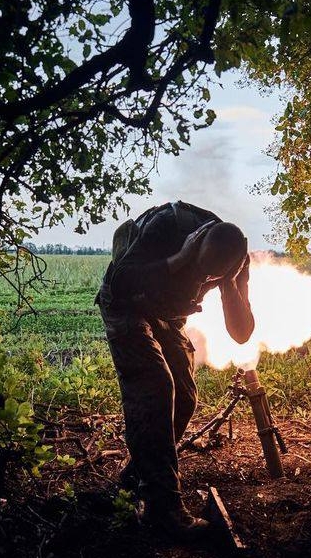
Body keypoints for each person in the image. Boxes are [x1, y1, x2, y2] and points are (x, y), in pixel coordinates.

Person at [95, 201, 254, 538]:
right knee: (155, 386)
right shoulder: (166, 225)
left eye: (211, 276)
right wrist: (179, 260)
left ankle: (133, 484)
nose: (202, 280)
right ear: (196, 240)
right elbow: (121, 280)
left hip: (166, 315)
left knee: (184, 398)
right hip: (125, 305)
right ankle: (164, 510)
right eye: (201, 270)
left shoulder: (236, 262)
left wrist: (229, 286)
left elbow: (241, 333)